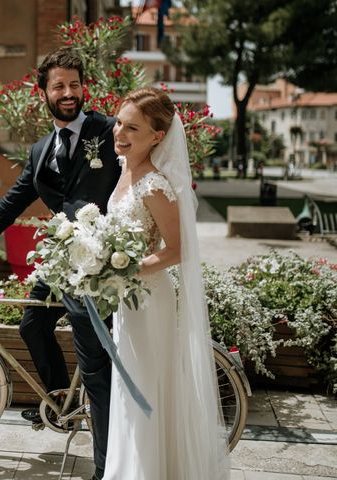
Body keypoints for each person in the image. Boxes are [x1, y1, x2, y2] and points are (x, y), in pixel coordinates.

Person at [0, 47, 119, 480]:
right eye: (59, 85)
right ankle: (62, 402)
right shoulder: (42, 150)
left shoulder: (108, 130)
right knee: (32, 323)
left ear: (84, 88)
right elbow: (10, 204)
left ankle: (106, 466)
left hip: (99, 264)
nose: (68, 92)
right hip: (62, 258)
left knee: (95, 363)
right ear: (42, 91)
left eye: (75, 84)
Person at [104, 86, 230, 479]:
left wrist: (124, 270)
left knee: (144, 388)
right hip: (126, 300)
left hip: (148, 300)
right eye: (119, 123)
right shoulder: (126, 169)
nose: (120, 133)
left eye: (133, 128)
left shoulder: (153, 184)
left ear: (157, 137)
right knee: (129, 390)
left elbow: (177, 250)